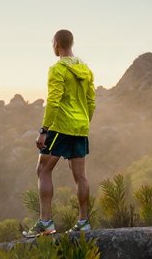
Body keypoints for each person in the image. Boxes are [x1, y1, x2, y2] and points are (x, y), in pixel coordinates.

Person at [24, 29, 96, 237]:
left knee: (43, 170)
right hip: (80, 127)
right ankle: (83, 222)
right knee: (80, 175)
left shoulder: (57, 69)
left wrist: (44, 130)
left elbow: (54, 101)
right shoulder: (86, 69)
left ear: (56, 44)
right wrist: (83, 122)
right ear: (71, 43)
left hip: (60, 126)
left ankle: (45, 222)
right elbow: (91, 101)